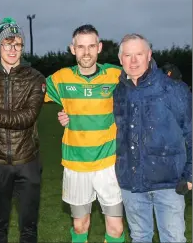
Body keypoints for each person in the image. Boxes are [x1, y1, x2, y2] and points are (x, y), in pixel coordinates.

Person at [45, 24, 125, 243]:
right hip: (75, 164)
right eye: (81, 47)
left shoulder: (116, 75)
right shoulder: (60, 79)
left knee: (116, 228)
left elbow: (143, 73)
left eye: (91, 46)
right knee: (80, 226)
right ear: (73, 49)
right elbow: (29, 89)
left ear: (99, 47)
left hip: (109, 164)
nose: (86, 52)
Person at [0, 17, 46, 243]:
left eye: (17, 44)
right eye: (7, 44)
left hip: (27, 161)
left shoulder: (35, 78)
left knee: (29, 227)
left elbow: (27, 117)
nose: (13, 50)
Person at [112, 33, 192, 242]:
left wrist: (191, 175)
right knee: (139, 237)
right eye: (128, 55)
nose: (134, 60)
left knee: (173, 238)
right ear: (121, 60)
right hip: (132, 184)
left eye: (139, 54)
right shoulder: (118, 92)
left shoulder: (173, 89)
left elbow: (191, 131)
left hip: (170, 184)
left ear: (149, 55)